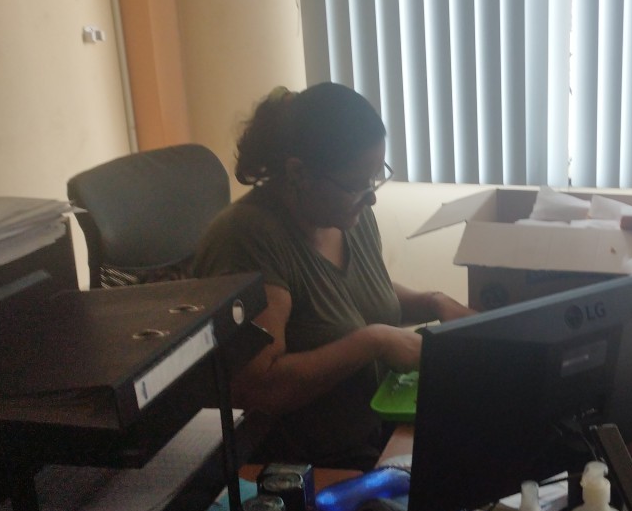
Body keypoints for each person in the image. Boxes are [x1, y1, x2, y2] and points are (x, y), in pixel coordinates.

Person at [194, 82, 473, 469]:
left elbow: (352, 296)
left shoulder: (347, 213)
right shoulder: (247, 240)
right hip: (307, 468)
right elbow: (260, 388)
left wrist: (432, 302)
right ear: (298, 173)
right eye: (357, 184)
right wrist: (374, 341)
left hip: (379, 436)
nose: (371, 196)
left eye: (375, 177)